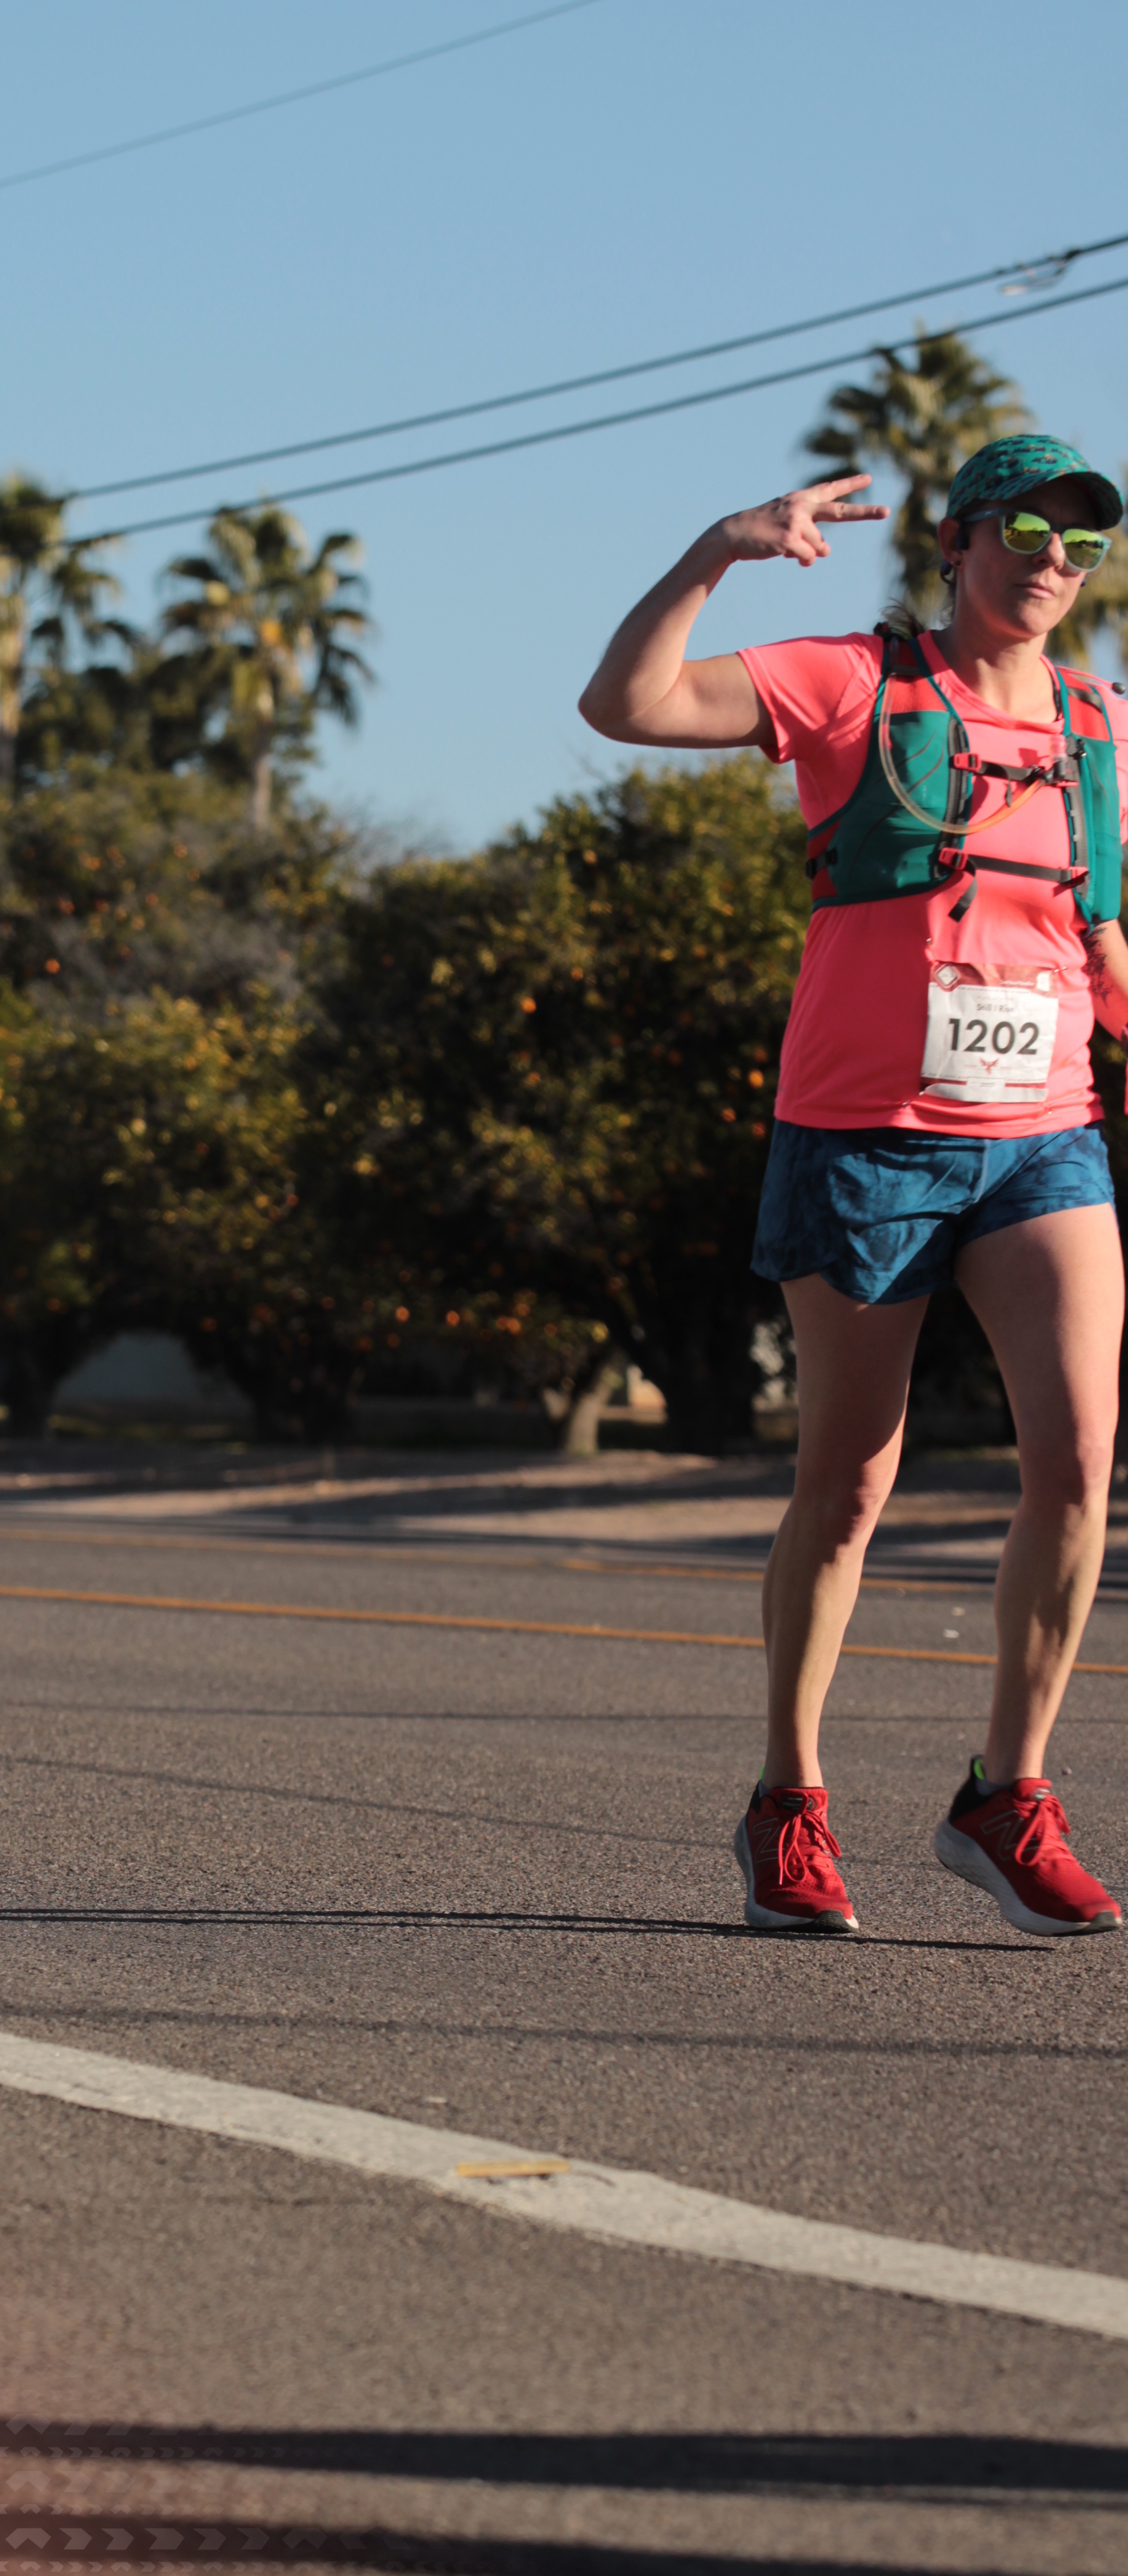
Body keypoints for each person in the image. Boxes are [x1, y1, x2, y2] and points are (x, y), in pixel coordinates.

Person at [579, 433, 1126, 1939]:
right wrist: (718, 549)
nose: (1052, 561)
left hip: (1042, 1138)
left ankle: (1003, 1796)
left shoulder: (1098, 726)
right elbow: (621, 705)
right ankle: (786, 1800)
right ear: (956, 542)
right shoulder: (851, 683)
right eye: (1024, 530)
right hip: (862, 1138)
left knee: (1079, 1461)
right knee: (848, 1480)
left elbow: (1099, 943)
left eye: (1080, 543)